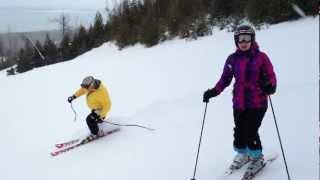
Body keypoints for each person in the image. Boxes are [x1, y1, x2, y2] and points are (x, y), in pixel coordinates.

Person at [203, 25, 277, 174]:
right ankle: (243, 153)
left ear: (252, 39)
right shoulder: (232, 59)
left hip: (257, 102)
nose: (243, 42)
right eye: (240, 39)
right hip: (239, 102)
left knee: (250, 130)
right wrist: (213, 91)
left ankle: (257, 157)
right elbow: (225, 79)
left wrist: (270, 86)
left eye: (247, 39)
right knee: (239, 131)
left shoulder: (261, 57)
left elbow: (270, 75)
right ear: (236, 41)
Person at [68, 76, 112, 140]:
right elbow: (82, 90)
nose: (85, 89)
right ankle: (99, 128)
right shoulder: (89, 87)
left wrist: (100, 115)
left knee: (89, 120)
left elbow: (108, 106)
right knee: (94, 121)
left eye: (86, 88)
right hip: (94, 109)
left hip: (101, 110)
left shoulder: (101, 92)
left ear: (91, 85)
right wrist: (74, 96)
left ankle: (95, 133)